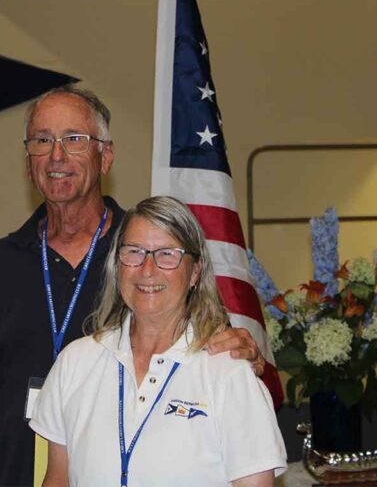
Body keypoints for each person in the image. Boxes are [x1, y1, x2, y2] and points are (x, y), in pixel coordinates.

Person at [0, 86, 265, 487]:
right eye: (42, 141)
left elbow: (213, 340)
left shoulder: (148, 260)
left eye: (74, 140)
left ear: (107, 156)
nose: (57, 155)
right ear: (28, 158)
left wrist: (244, 351)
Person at [30, 196, 286, 486]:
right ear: (118, 264)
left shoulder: (229, 374)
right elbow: (57, 479)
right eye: (135, 252)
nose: (147, 270)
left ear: (195, 271)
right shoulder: (74, 363)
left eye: (167, 254)